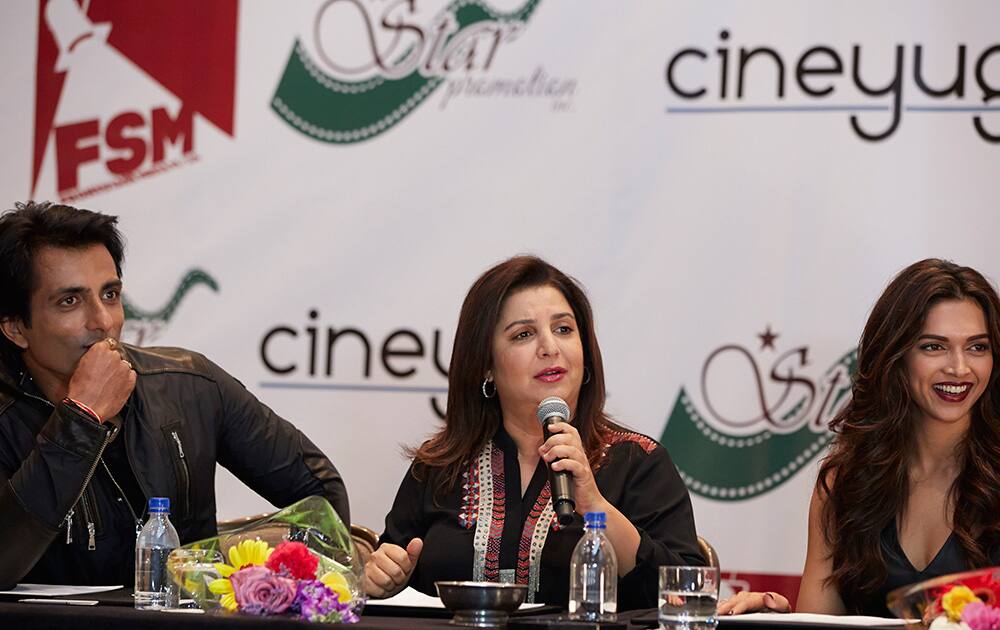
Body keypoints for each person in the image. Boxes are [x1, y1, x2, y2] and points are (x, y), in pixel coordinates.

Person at [0, 201, 350, 588]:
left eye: (110, 295)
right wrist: (81, 418)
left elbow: (321, 494)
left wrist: (226, 571)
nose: (102, 322)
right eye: (70, 301)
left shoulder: (189, 383)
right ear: (16, 327)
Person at [364, 255, 704, 609]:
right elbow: (390, 568)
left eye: (564, 329)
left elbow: (687, 593)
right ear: (486, 366)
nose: (550, 348)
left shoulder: (639, 461)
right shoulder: (440, 465)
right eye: (524, 334)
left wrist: (596, 506)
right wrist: (382, 579)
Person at [718, 259, 1000, 617]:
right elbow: (820, 623)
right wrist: (773, 618)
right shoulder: (844, 484)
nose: (959, 368)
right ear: (895, 356)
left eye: (978, 347)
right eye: (933, 346)